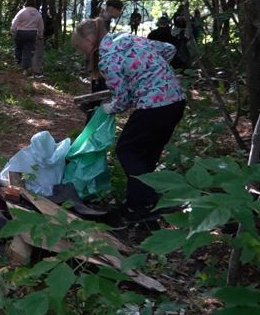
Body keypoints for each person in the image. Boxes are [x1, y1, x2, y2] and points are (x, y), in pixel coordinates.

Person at [72, 18, 186, 228]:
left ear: (90, 38)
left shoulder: (107, 58)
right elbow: (169, 49)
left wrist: (109, 108)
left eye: (81, 46)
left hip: (154, 104)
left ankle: (143, 204)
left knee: (127, 150)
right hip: (175, 100)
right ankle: (140, 201)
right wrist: (152, 72)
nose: (82, 50)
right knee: (147, 152)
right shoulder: (128, 39)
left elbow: (122, 100)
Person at [10, 0, 43, 76]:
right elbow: (41, 25)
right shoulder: (38, 14)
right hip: (32, 33)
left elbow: (15, 21)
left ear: (26, 3)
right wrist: (40, 35)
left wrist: (12, 31)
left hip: (21, 32)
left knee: (18, 47)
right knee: (27, 51)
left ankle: (18, 60)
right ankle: (24, 69)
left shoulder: (22, 12)